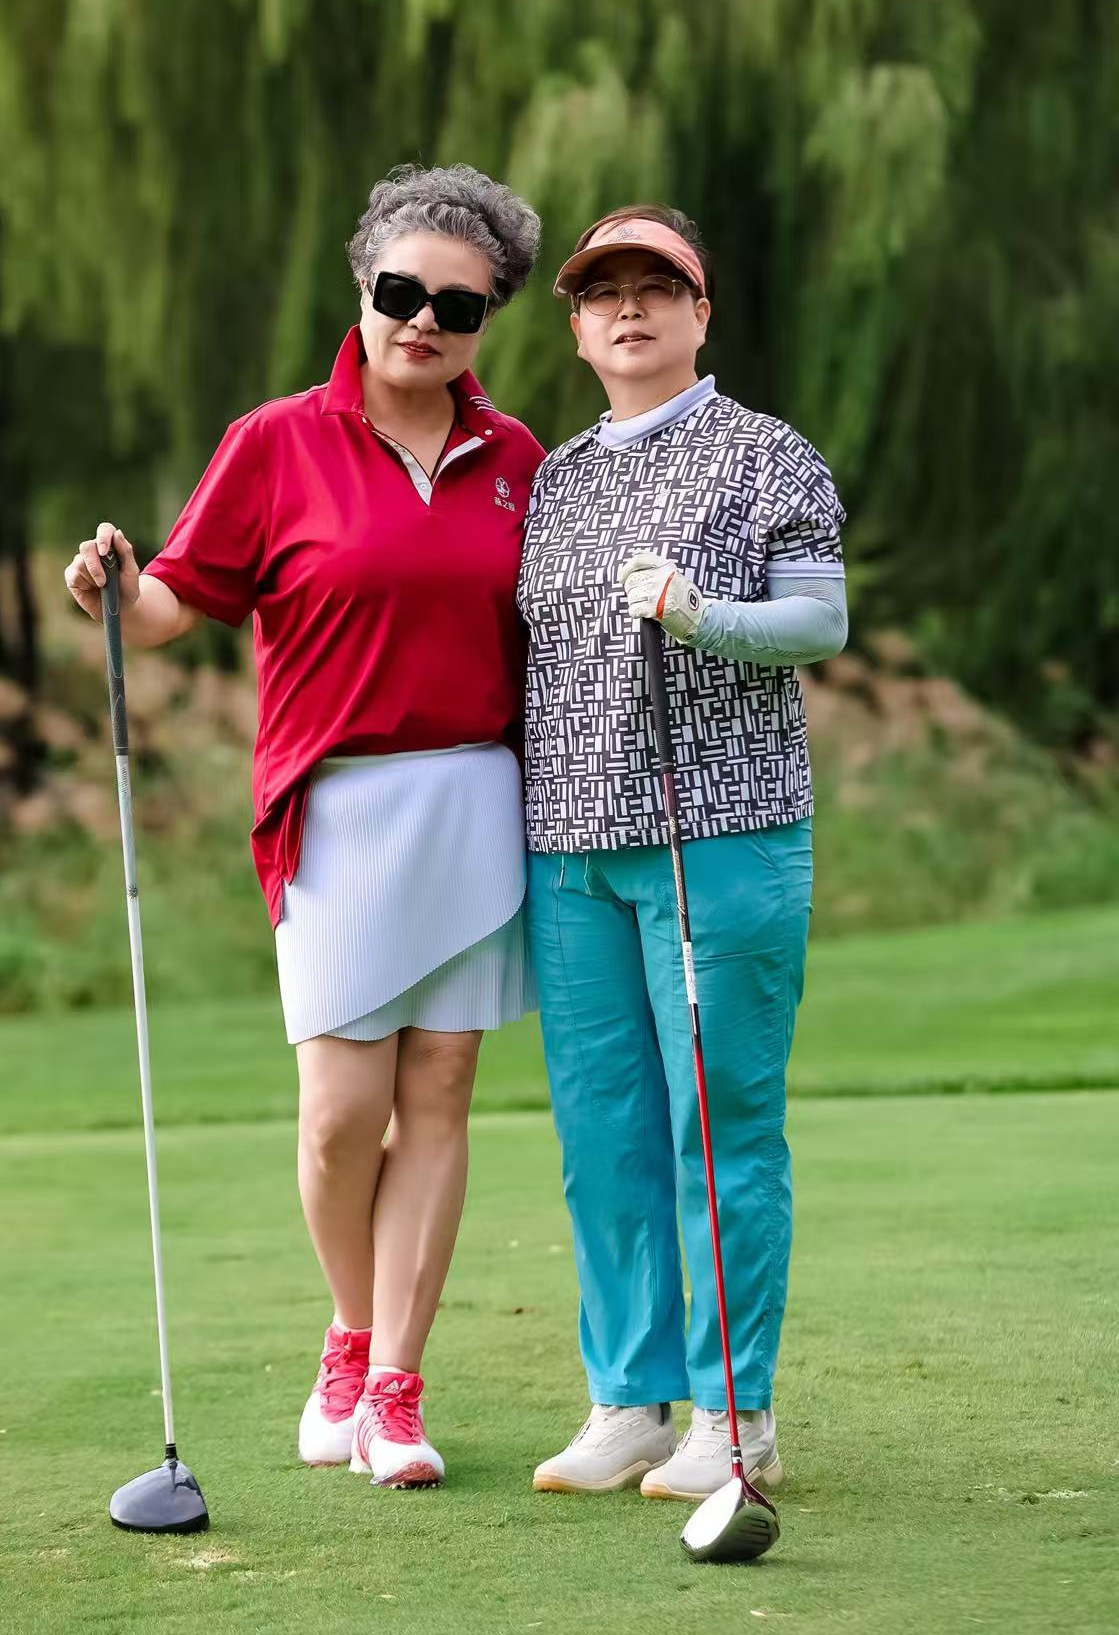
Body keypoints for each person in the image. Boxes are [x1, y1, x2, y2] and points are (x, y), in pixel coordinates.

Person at [65, 163, 544, 1490]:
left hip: (475, 799)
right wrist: (114, 589)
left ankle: (394, 1388)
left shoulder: (517, 461)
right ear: (363, 287)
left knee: (439, 1092)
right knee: (341, 1114)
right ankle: (349, 1331)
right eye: (400, 292)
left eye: (458, 304)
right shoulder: (277, 441)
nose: (423, 321)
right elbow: (177, 601)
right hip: (334, 809)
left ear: (487, 318)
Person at [517, 204, 848, 1501]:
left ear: (700, 312)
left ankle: (732, 1414)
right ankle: (629, 1400)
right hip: (570, 849)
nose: (629, 308)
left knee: (718, 1127)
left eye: (656, 287)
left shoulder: (766, 455)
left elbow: (817, 622)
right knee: (603, 1133)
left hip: (720, 834)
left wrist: (703, 614)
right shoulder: (556, 477)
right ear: (576, 326)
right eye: (603, 292)